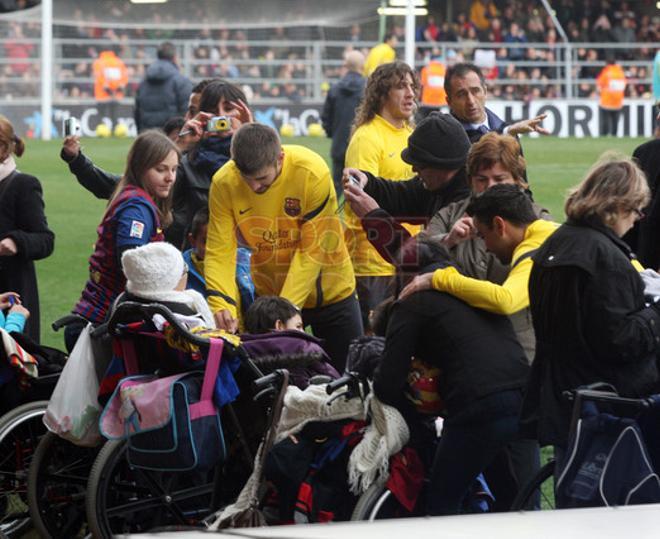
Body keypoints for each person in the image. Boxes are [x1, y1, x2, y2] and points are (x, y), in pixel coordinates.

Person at [373, 241, 530, 515]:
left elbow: (387, 383)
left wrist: (414, 407)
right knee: (509, 497)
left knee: (443, 499)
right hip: (523, 394)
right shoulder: (469, 285)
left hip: (478, 403)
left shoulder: (412, 300)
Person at [521, 156, 660, 451]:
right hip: (607, 401)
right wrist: (655, 312)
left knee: (576, 485)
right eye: (636, 210)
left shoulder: (558, 241)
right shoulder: (603, 256)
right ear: (617, 206)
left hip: (566, 395)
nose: (636, 219)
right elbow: (619, 341)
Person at [204, 123, 361, 371]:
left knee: (348, 382)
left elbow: (312, 252)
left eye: (261, 179)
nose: (254, 188)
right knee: (274, 390)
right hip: (270, 295)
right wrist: (221, 303)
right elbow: (220, 251)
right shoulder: (224, 183)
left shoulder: (311, 172)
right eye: (246, 179)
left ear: (280, 158)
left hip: (332, 294)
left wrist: (284, 309)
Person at [66, 130, 179, 351]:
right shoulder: (137, 208)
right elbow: (131, 263)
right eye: (161, 169)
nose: (170, 178)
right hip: (100, 328)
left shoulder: (132, 195)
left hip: (93, 321)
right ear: (140, 168)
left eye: (174, 169)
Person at [399, 185, 558, 318]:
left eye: (483, 236)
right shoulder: (548, 232)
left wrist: (437, 279)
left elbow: (504, 301)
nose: (487, 248)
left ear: (499, 225)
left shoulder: (534, 250)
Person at [343, 61, 419, 332]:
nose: (410, 93)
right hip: (373, 263)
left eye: (412, 86)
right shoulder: (367, 138)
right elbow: (358, 200)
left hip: (407, 255)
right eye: (401, 87)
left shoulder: (411, 135)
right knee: (375, 339)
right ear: (381, 94)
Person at [343, 112, 471, 251]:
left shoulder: (463, 207)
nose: (414, 169)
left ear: (444, 165)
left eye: (421, 164)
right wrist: (367, 182)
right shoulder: (438, 186)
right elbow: (401, 195)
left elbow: (417, 257)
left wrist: (374, 218)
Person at [168, 79, 252, 248]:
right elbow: (157, 193)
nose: (221, 115)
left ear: (244, 112)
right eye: (213, 112)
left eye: (228, 109)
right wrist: (181, 145)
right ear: (203, 117)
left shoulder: (257, 159)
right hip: (200, 254)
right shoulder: (187, 162)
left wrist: (251, 136)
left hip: (248, 258)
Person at [0, 116, 54, 342]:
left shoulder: (23, 184)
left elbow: (45, 239)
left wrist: (16, 241)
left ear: (3, 147)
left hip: (11, 291)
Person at [444, 63, 548, 142]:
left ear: (485, 92)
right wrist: (506, 133)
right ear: (449, 102)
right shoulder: (444, 136)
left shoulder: (505, 129)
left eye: (475, 91)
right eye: (461, 95)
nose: (471, 101)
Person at [182, 206, 255, 314]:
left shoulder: (247, 260)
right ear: (192, 241)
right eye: (208, 242)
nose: (216, 250)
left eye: (222, 241)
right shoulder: (180, 270)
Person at [320, 50, 366, 195]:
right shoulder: (368, 89)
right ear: (363, 66)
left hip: (339, 145)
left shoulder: (334, 89)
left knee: (336, 189)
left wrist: (333, 134)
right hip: (362, 146)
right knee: (361, 189)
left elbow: (326, 118)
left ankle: (330, 217)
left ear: (345, 65)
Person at [134, 42, 193, 132]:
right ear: (175, 58)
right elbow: (187, 112)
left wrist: (141, 134)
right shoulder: (181, 82)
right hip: (171, 138)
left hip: (148, 137)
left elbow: (137, 112)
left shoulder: (143, 82)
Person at [92, 49, 128, 126]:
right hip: (116, 95)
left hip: (102, 95)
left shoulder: (99, 62)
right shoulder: (119, 62)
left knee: (101, 117)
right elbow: (124, 78)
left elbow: (99, 77)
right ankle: (115, 130)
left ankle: (101, 130)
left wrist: (108, 89)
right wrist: (117, 89)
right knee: (115, 115)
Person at [596, 56, 627, 137]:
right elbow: (624, 85)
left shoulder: (606, 72)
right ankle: (614, 136)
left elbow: (599, 85)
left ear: (607, 64)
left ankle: (604, 135)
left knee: (605, 121)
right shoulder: (621, 72)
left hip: (606, 101)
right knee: (615, 121)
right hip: (618, 102)